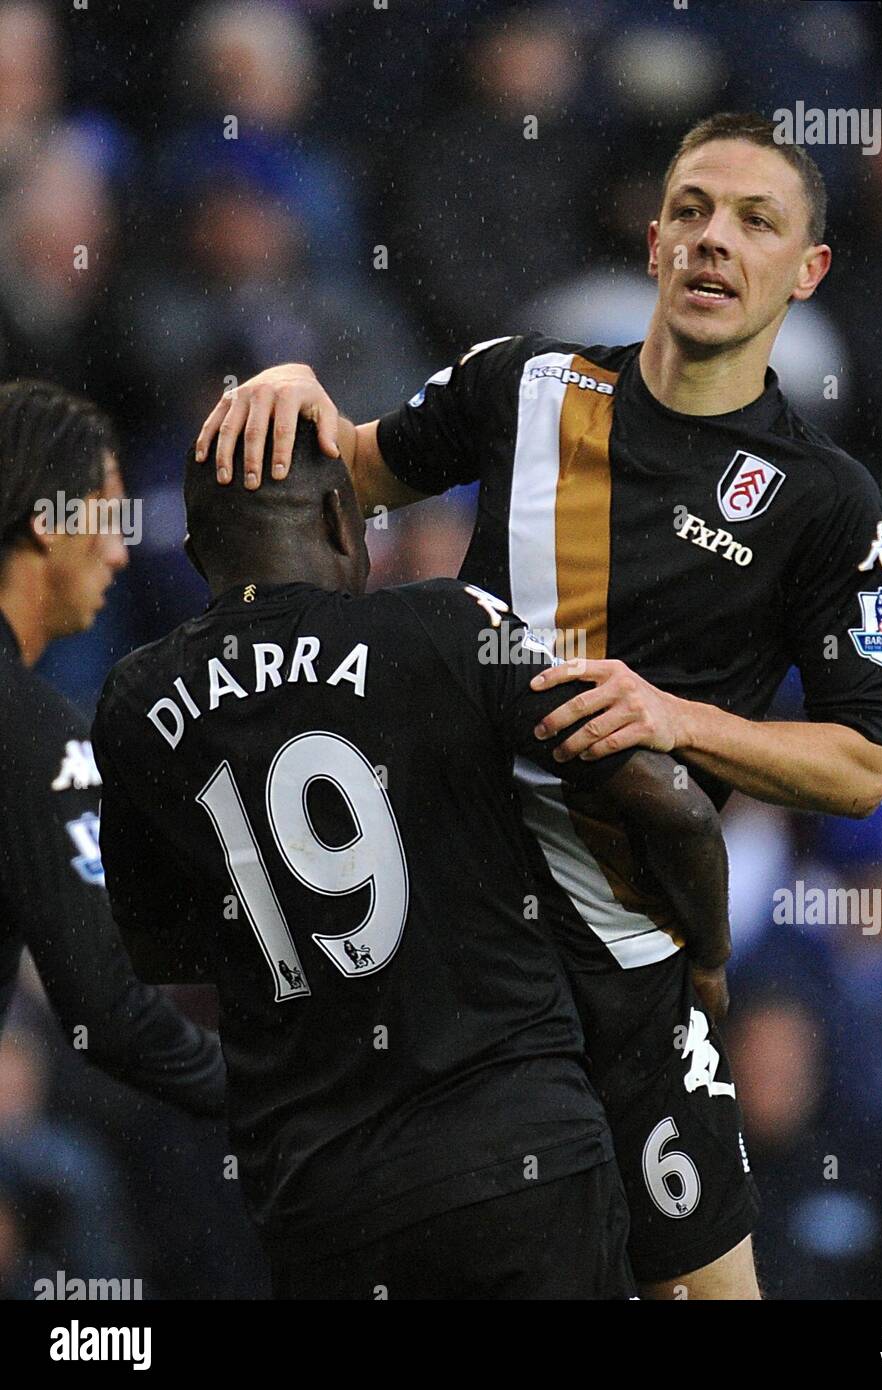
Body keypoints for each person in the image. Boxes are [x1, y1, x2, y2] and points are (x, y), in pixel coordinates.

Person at [197, 110, 882, 1297]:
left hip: (629, 957)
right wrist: (287, 386)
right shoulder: (521, 384)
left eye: (754, 221)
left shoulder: (827, 501)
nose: (714, 241)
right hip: (453, 940)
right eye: (691, 212)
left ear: (807, 269)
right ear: (652, 244)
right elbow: (339, 487)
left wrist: (677, 718)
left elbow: (863, 763)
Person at [91, 420, 735, 1300]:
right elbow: (677, 806)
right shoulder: (445, 622)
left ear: (199, 546)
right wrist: (706, 955)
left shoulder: (134, 702)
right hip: (518, 1158)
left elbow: (158, 949)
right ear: (337, 517)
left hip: (325, 1205)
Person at [0, 379, 224, 1115]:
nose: (122, 552)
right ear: (44, 520)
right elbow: (109, 1013)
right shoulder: (33, 732)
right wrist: (288, 1102)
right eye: (107, 515)